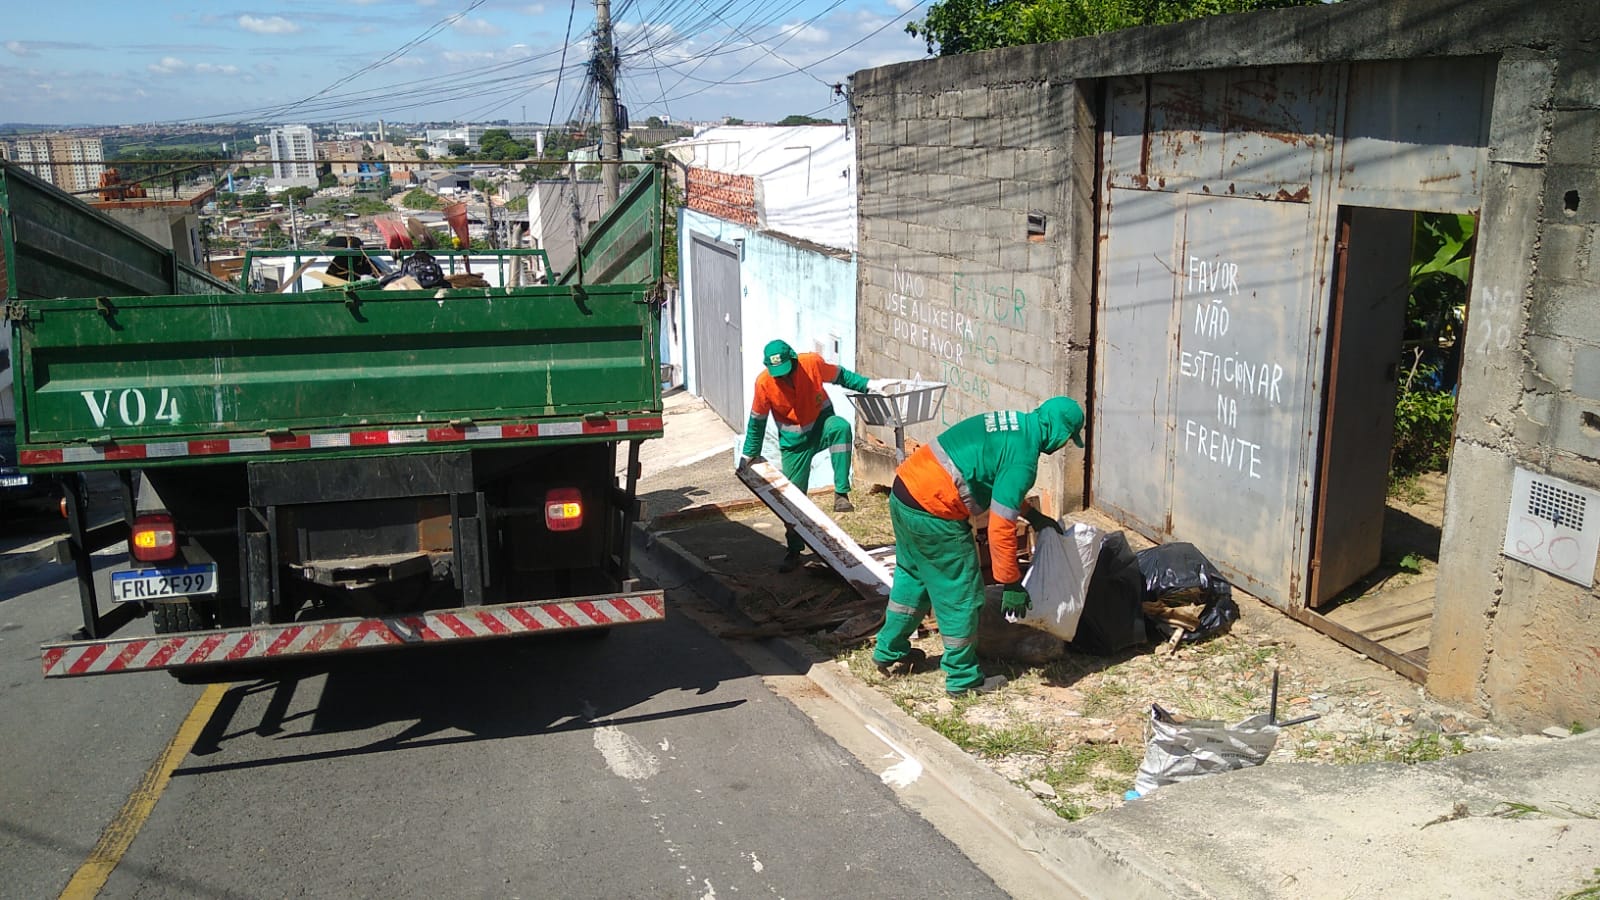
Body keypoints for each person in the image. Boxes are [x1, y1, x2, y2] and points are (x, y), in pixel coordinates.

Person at [871, 397, 1086, 697]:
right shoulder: (1024, 457)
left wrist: (1034, 516)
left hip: (905, 492)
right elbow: (1000, 527)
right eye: (1067, 439)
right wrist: (1010, 582)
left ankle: (888, 650)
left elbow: (995, 482)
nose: (1064, 445)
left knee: (913, 577)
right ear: (1060, 432)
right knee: (962, 594)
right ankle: (962, 678)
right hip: (935, 510)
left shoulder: (1015, 425)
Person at [738, 339, 882, 573]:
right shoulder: (764, 384)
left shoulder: (811, 364)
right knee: (792, 499)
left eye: (786, 371)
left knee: (841, 428)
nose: (783, 378)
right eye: (778, 374)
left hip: (822, 426)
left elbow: (841, 376)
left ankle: (841, 494)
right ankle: (794, 550)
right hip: (794, 446)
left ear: (793, 360)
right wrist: (749, 456)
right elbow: (757, 423)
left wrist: (869, 385)